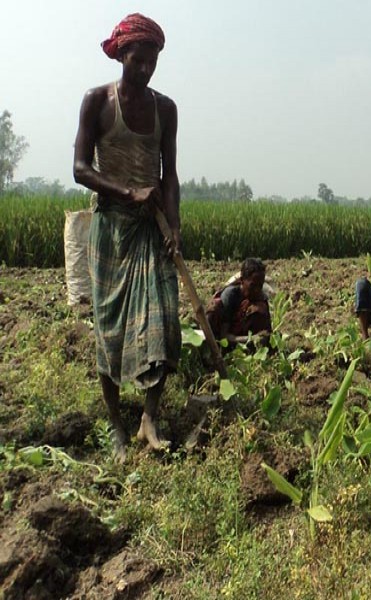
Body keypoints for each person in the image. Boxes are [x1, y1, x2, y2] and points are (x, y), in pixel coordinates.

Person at [73, 13, 180, 461]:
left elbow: (169, 175)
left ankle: (148, 418)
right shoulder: (97, 101)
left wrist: (174, 224)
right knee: (110, 330)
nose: (147, 68)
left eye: (154, 60)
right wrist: (128, 191)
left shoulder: (166, 108)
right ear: (122, 53)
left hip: (150, 230)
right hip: (111, 230)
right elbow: (80, 169)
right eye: (140, 59)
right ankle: (116, 423)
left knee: (165, 317)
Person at [206, 258, 272, 347]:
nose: (257, 290)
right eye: (252, 286)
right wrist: (251, 339)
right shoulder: (230, 295)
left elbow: (268, 333)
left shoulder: (261, 298)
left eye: (260, 286)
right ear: (242, 280)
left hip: (243, 341)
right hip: (222, 341)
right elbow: (224, 337)